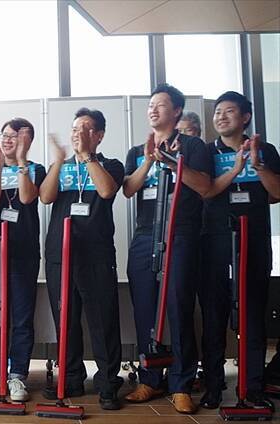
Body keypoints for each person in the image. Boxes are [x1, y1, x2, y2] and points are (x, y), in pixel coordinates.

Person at [123, 83, 211, 414]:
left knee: (178, 306)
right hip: (145, 234)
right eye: (151, 105)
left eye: (160, 105)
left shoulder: (193, 146)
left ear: (176, 111)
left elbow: (205, 187)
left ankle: (181, 383)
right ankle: (150, 378)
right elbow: (128, 189)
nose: (153, 109)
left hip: (180, 232)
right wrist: (148, 161)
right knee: (145, 308)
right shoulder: (137, 150)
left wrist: (173, 163)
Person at [199, 91, 280, 410]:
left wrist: (257, 165)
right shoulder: (207, 152)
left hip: (254, 239)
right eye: (217, 111)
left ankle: (253, 386)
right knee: (214, 314)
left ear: (245, 117)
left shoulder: (266, 150)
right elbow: (205, 192)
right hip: (215, 240)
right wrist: (232, 170)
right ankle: (214, 385)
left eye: (228, 111)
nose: (220, 116)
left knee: (253, 313)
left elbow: (276, 194)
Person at [39, 108, 125, 410]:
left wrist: (88, 156)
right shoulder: (60, 166)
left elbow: (106, 191)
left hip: (96, 255)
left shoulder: (111, 165)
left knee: (103, 321)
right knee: (66, 321)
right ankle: (71, 379)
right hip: (59, 254)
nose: (77, 133)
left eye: (85, 128)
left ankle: (108, 383)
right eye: (75, 128)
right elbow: (46, 196)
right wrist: (58, 161)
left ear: (99, 135)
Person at [0, 118, 46, 402]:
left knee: (21, 317)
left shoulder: (36, 169)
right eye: (5, 135)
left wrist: (20, 161)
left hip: (24, 251)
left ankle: (17, 375)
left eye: (16, 136)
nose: (8, 139)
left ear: (27, 141)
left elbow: (28, 197)